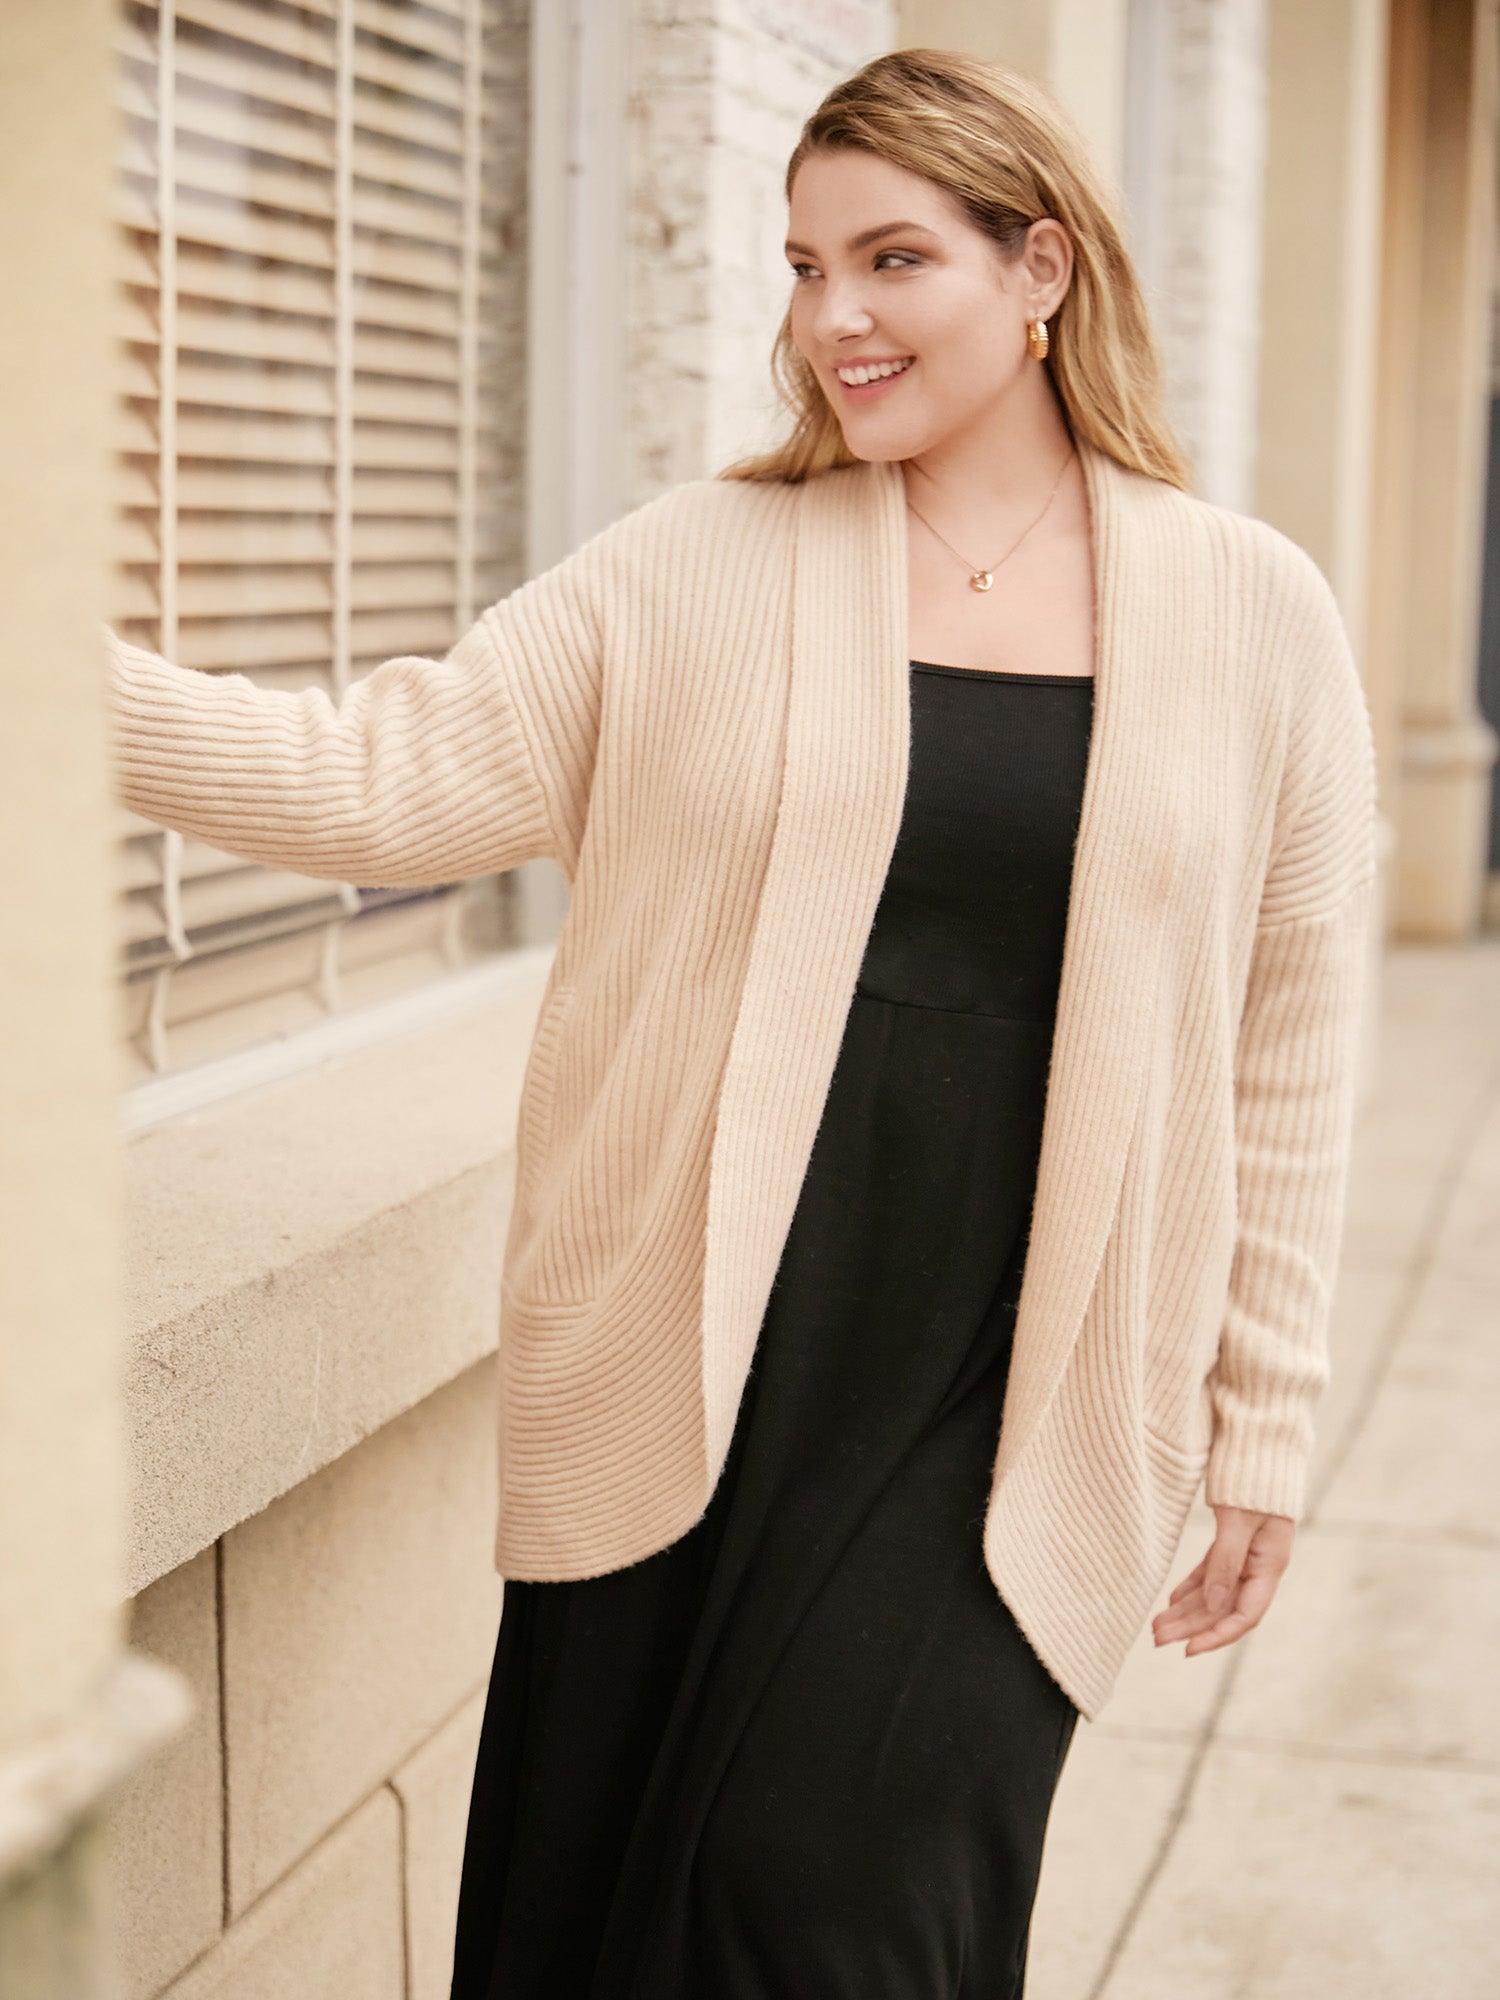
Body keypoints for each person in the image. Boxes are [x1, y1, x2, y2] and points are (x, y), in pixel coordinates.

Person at [106, 46, 1379, 2000]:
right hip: (692, 1379)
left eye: (892, 259)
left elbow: (1289, 1041)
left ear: (1041, 269)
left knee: (828, 1912)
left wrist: (1261, 1417)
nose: (831, 316)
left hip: (1013, 1406)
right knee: (600, 1927)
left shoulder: (1253, 615)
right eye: (803, 267)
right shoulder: (699, 567)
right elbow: (374, 781)